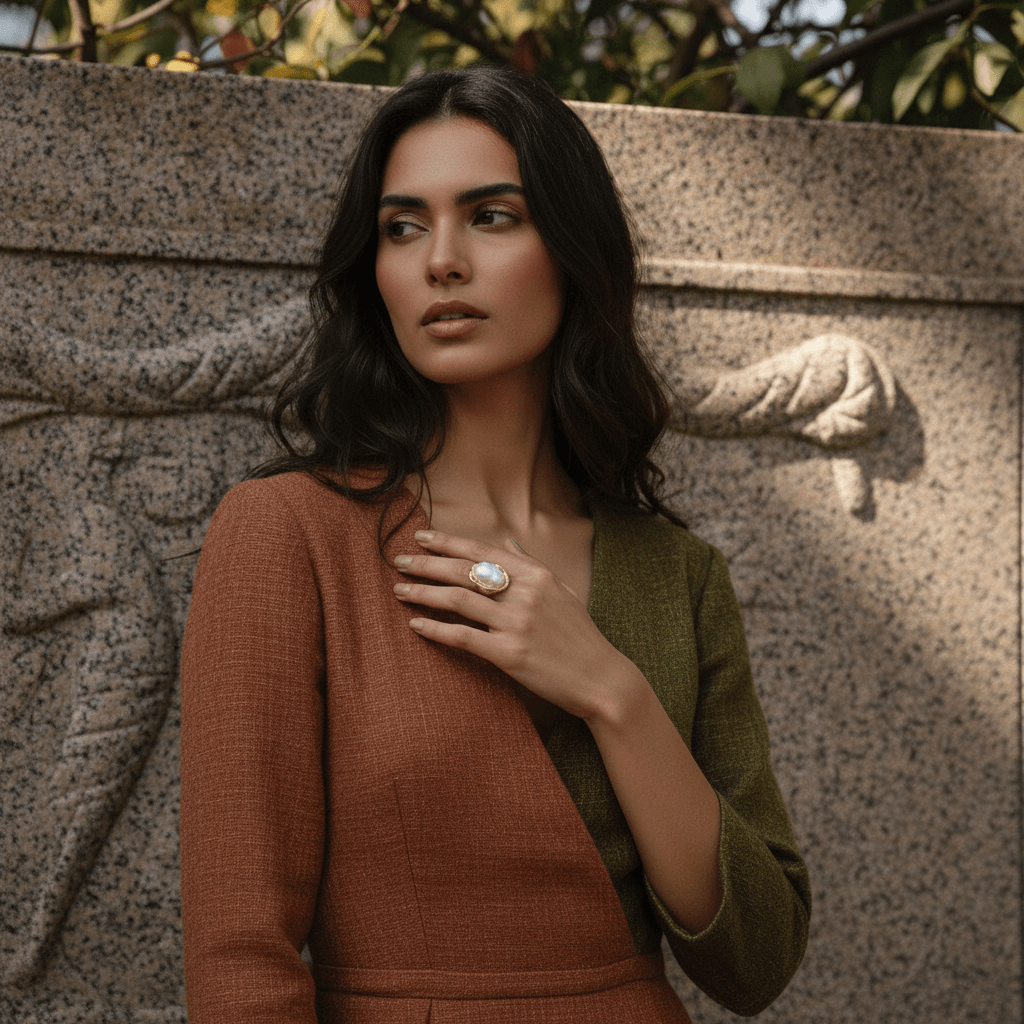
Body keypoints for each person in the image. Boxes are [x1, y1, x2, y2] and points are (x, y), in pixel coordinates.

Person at [179, 65, 811, 1024]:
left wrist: (610, 690)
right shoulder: (288, 535)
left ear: (573, 249)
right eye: (403, 227)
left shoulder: (678, 574)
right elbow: (239, 959)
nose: (441, 261)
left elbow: (756, 961)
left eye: (491, 216)